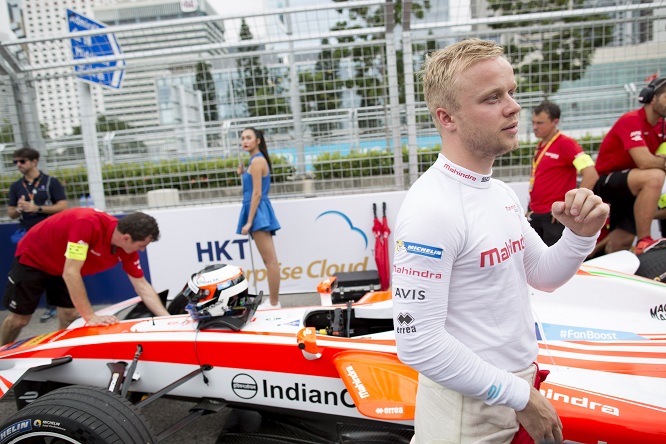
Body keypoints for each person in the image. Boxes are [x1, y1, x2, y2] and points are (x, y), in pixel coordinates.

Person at [392, 38, 609, 444]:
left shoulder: (497, 191)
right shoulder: (431, 209)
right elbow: (418, 342)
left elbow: (543, 274)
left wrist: (580, 235)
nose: (513, 106)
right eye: (492, 98)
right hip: (466, 416)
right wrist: (521, 395)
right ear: (447, 117)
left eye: (511, 91)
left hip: (510, 394)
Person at [1, 208, 170, 345]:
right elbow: (71, 272)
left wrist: (168, 320)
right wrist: (90, 316)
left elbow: (142, 285)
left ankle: (58, 357)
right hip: (35, 257)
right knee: (19, 320)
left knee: (69, 315)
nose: (142, 250)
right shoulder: (87, 223)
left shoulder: (127, 248)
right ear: (126, 238)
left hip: (63, 264)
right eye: (142, 246)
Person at [592, 76, 666, 255]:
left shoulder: (662, 126)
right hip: (606, 182)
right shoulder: (631, 119)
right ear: (652, 98)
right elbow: (645, 161)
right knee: (655, 176)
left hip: (631, 185)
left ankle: (602, 269)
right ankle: (644, 239)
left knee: (621, 243)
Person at [7, 147, 68, 323]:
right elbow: (10, 212)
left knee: (56, 272)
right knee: (30, 274)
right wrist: (19, 208)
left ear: (34, 161)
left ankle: (58, 308)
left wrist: (37, 208)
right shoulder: (16, 186)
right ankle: (28, 310)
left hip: (51, 236)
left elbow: (62, 206)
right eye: (15, 162)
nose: (18, 165)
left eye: (22, 161)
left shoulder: (50, 182)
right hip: (28, 238)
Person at [528, 101, 599, 246]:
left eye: (540, 123)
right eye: (533, 122)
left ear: (555, 121)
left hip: (555, 216)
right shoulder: (541, 146)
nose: (535, 127)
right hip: (536, 214)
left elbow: (591, 174)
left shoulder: (567, 144)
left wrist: (571, 208)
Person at [236, 128, 281, 309]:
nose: (244, 141)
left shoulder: (257, 162)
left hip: (258, 212)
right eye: (242, 138)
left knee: (270, 261)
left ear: (258, 140)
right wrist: (243, 173)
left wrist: (249, 221)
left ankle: (274, 302)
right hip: (258, 210)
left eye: (248, 138)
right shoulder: (254, 161)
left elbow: (256, 194)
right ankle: (274, 302)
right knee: (269, 261)